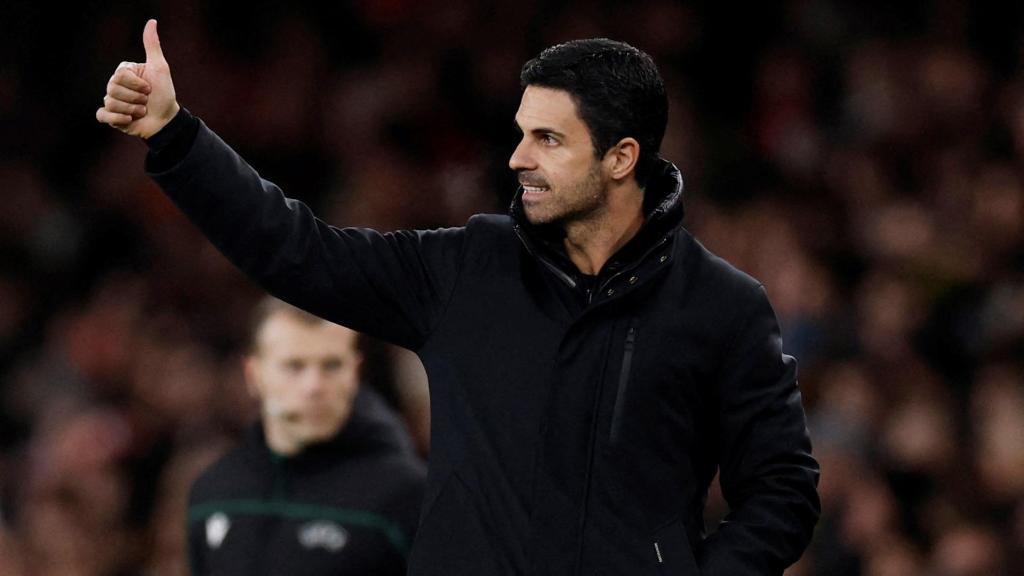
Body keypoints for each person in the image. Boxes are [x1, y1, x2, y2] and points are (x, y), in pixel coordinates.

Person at [98, 20, 820, 575]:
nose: (517, 158)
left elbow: (783, 490)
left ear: (621, 157)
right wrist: (175, 137)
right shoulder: (467, 268)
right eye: (519, 134)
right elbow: (299, 251)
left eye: (547, 139)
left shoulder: (723, 307)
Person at [186, 296, 425, 575]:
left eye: (332, 365)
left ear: (354, 373)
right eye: (294, 366)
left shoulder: (407, 497)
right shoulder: (212, 493)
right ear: (254, 374)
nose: (313, 386)